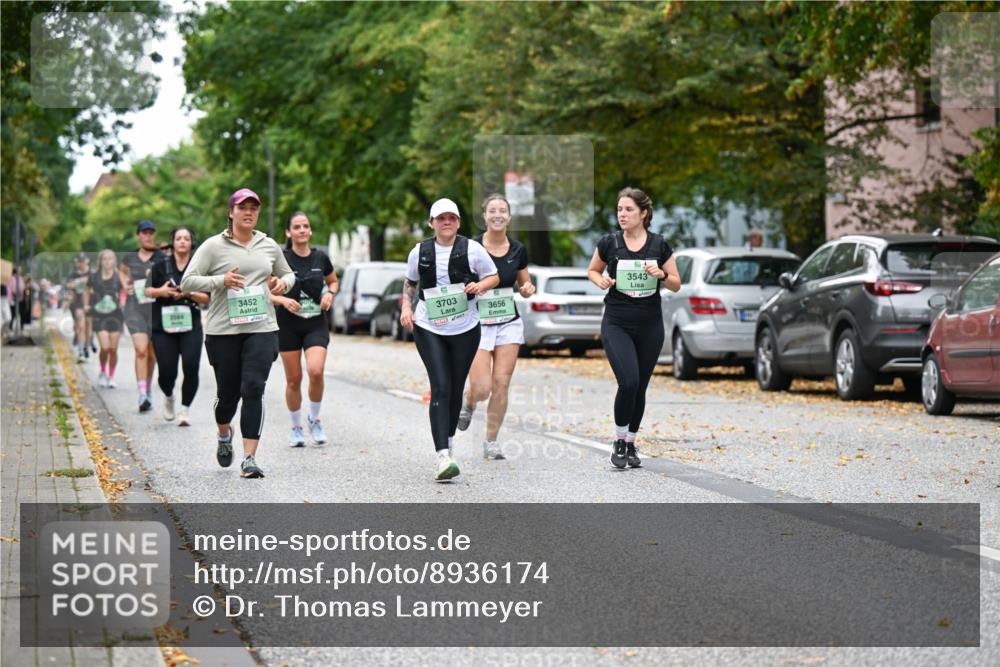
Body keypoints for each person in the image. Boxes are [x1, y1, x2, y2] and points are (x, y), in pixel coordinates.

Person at [180, 188, 295, 479]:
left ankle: (249, 459)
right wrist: (222, 280)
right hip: (223, 332)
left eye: (254, 208)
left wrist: (284, 283)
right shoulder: (212, 246)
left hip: (262, 327)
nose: (249, 212)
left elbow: (288, 272)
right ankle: (223, 433)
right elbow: (187, 282)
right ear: (231, 212)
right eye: (242, 207)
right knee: (228, 396)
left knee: (254, 388)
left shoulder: (268, 245)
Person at [400, 198, 499, 481]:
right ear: (431, 223)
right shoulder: (419, 251)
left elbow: (493, 276)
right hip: (429, 326)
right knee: (441, 386)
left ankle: (450, 442)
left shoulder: (473, 249)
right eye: (440, 218)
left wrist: (479, 285)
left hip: (465, 327)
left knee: (456, 388)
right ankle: (442, 455)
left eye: (451, 218)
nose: (446, 222)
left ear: (458, 222)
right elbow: (410, 282)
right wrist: (407, 308)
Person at [587, 187, 681, 469]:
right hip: (617, 320)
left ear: (643, 213)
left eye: (628, 210)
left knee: (640, 387)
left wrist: (662, 274)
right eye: (619, 210)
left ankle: (631, 442)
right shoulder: (610, 243)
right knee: (627, 382)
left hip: (650, 324)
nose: (622, 215)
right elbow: (593, 270)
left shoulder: (659, 245)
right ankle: (618, 440)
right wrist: (600, 280)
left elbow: (677, 282)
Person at [455, 194, 535, 460]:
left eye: (503, 211)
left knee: (501, 384)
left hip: (507, 322)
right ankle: (468, 402)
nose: (498, 215)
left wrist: (527, 289)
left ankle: (491, 441)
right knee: (482, 388)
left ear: (509, 217)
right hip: (476, 321)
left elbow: (525, 285)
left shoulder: (518, 249)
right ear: (484, 216)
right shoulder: (470, 246)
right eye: (492, 211)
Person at [271, 212, 338, 447]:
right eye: (296, 227)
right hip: (288, 324)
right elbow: (266, 290)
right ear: (289, 232)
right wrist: (282, 300)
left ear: (310, 231)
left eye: (305, 226)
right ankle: (296, 427)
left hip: (315, 322)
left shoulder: (321, 258)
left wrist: (330, 293)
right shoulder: (281, 259)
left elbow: (333, 280)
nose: (302, 230)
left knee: (316, 371)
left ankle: (314, 419)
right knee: (293, 380)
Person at [147, 227, 209, 426]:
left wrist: (188, 292)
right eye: (178, 238)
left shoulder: (198, 267)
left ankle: (185, 409)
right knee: (166, 371)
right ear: (172, 242)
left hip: (190, 325)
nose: (182, 242)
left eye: (187, 238)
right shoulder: (159, 265)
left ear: (192, 243)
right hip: (163, 325)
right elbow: (147, 291)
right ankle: (169, 396)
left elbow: (207, 297)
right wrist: (162, 291)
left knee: (191, 367)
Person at [120, 220, 164, 412]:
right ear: (138, 235)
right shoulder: (130, 257)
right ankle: (142, 394)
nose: (148, 235)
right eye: (144, 232)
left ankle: (148, 388)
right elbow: (121, 271)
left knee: (152, 354)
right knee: (141, 350)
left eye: (151, 232)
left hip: (155, 309)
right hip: (134, 308)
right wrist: (125, 285)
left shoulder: (161, 256)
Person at [90, 250, 125, 387]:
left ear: (114, 261)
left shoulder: (119, 276)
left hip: (115, 315)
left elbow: (126, 290)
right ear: (100, 261)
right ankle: (103, 372)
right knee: (104, 347)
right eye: (104, 259)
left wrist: (123, 301)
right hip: (99, 315)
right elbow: (87, 290)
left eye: (110, 258)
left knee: (113, 349)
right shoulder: (94, 276)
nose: (107, 261)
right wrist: (88, 304)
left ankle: (111, 376)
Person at [64, 254, 91, 361]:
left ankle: (87, 344)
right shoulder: (73, 274)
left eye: (83, 260)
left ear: (87, 261)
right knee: (80, 326)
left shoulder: (92, 273)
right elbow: (68, 287)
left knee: (88, 327)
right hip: (77, 303)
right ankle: (81, 350)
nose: (81, 263)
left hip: (91, 302)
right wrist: (66, 300)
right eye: (79, 261)